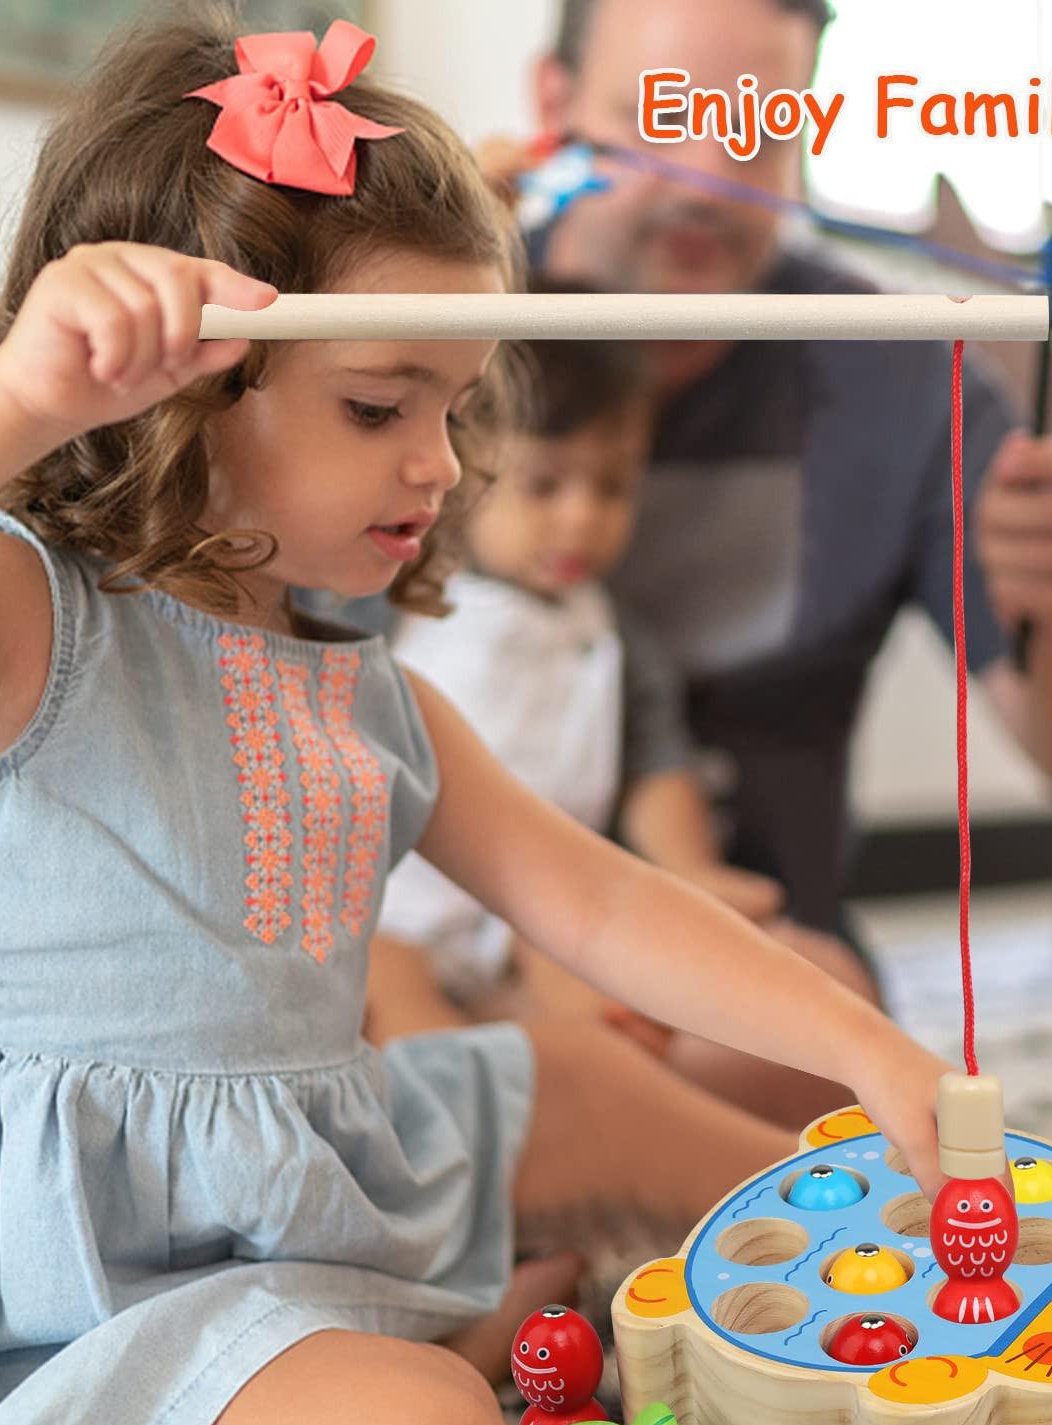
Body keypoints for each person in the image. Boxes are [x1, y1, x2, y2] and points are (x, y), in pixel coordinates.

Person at [0, 11, 953, 1425]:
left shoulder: (369, 690)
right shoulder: (18, 611)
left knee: (567, 1076)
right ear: (181, 388)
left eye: (458, 411)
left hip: (299, 1170)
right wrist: (16, 395)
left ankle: (575, 1284)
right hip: (67, 1282)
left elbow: (598, 905)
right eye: (379, 409)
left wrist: (866, 1048)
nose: (445, 465)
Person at [474, 0, 1052, 1005]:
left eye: (760, 133)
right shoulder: (447, 317)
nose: (711, 183)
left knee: (817, 1024)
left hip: (737, 967)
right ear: (554, 105)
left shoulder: (895, 374)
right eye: (664, 119)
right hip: (432, 944)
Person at [368, 300, 871, 1124]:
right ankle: (474, 1190)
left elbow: (655, 770)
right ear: (455, 463)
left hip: (547, 918)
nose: (581, 516)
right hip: (390, 922)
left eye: (612, 485)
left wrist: (692, 882)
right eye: (543, 484)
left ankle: (576, 1158)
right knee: (412, 1055)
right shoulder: (400, 595)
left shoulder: (612, 636)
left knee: (781, 992)